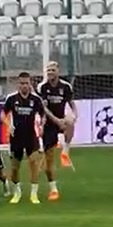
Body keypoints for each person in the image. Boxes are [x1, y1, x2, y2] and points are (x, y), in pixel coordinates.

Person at [3, 72, 65, 205]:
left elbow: (42, 115)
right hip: (16, 137)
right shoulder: (11, 98)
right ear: (18, 84)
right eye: (21, 83)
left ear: (30, 83)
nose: (24, 86)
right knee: (15, 167)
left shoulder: (36, 99)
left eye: (26, 83)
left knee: (34, 163)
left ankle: (33, 193)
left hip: (31, 136)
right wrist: (8, 124)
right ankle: (17, 193)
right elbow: (3, 114)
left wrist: (41, 125)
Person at [36, 61, 76, 201]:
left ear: (58, 71)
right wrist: (54, 120)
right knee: (49, 161)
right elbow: (44, 109)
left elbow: (71, 103)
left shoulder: (65, 87)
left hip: (61, 119)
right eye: (48, 70)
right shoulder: (42, 87)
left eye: (53, 70)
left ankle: (65, 152)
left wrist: (74, 115)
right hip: (49, 122)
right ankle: (53, 189)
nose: (50, 72)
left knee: (70, 121)